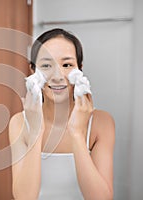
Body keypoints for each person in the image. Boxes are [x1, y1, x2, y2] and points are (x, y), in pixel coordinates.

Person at [9, 28, 115, 200]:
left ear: (79, 69)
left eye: (67, 65)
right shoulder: (20, 123)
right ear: (33, 70)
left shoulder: (101, 123)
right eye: (46, 65)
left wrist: (77, 134)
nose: (57, 76)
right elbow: (24, 198)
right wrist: (36, 131)